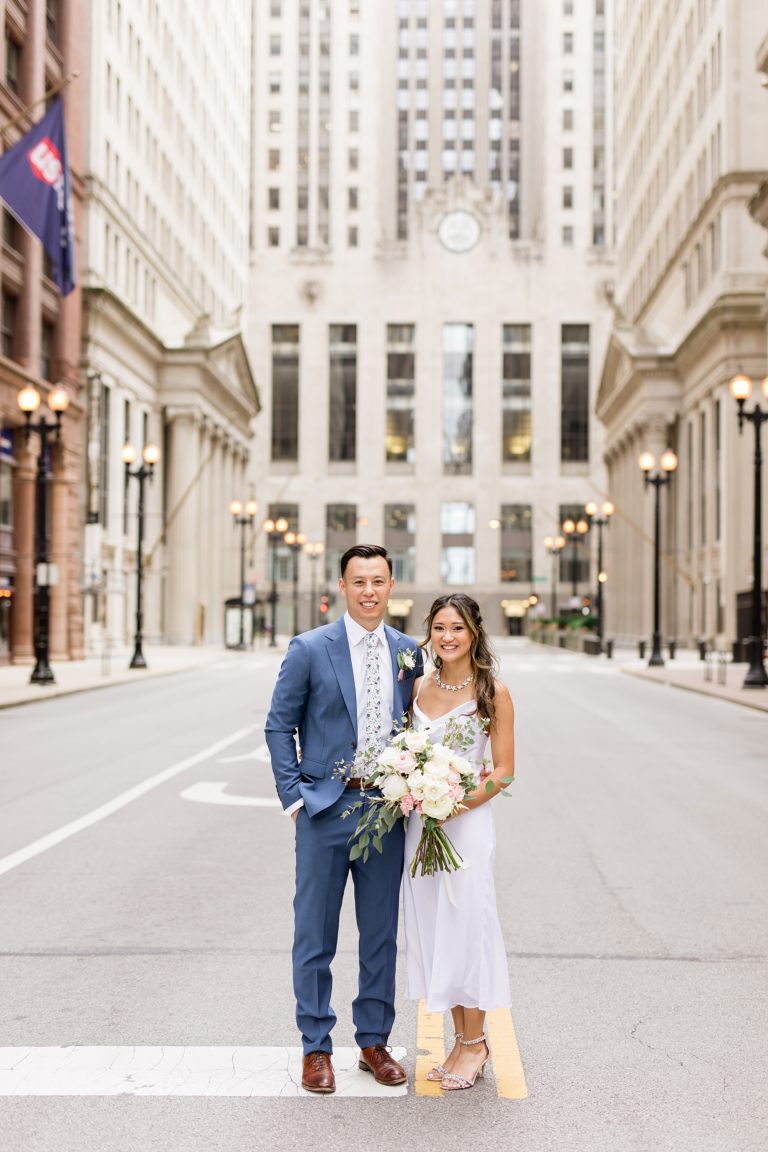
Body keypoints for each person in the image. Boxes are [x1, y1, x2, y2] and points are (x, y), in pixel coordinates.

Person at [265, 544, 423, 1094]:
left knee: (379, 933)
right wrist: (294, 799)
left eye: (378, 580)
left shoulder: (409, 652)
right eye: (359, 581)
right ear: (342, 587)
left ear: (391, 586)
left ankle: (374, 1041)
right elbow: (277, 726)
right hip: (325, 809)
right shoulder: (310, 648)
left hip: (385, 807)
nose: (369, 591)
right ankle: (315, 1047)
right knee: (315, 933)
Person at [402, 593, 515, 1091]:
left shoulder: (493, 692)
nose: (448, 637)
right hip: (420, 828)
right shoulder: (418, 687)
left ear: (474, 633)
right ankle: (459, 1038)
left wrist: (452, 804)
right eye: (441, 627)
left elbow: (505, 772)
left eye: (459, 628)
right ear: (430, 632)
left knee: (467, 925)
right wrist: (415, 794)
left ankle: (476, 1043)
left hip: (464, 827)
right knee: (435, 929)